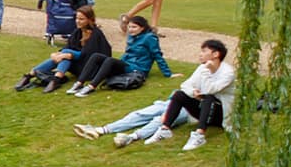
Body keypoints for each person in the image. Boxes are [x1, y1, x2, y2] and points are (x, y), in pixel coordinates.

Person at [77, 40, 235, 148]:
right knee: (144, 112)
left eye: (204, 51)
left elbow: (210, 91)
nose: (200, 54)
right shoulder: (202, 67)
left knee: (159, 118)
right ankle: (102, 129)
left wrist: (204, 76)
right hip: (190, 102)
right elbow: (185, 85)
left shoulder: (227, 72)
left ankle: (132, 137)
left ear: (216, 54)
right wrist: (193, 91)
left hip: (210, 110)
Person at [62, 14, 170, 96]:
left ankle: (91, 87)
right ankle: (79, 84)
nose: (131, 30)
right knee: (96, 56)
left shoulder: (149, 38)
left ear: (142, 28)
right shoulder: (132, 37)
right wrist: (120, 62)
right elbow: (128, 53)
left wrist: (168, 74)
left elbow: (157, 55)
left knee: (110, 61)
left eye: (134, 27)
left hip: (138, 69)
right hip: (128, 65)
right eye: (129, 27)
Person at [17, 7, 110, 91]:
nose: (78, 21)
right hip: (79, 64)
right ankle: (33, 76)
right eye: (77, 18)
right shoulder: (77, 32)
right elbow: (68, 47)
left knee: (66, 55)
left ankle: (46, 78)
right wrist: (57, 54)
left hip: (90, 69)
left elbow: (87, 55)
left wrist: (68, 54)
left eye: (81, 19)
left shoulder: (96, 34)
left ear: (90, 20)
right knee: (64, 55)